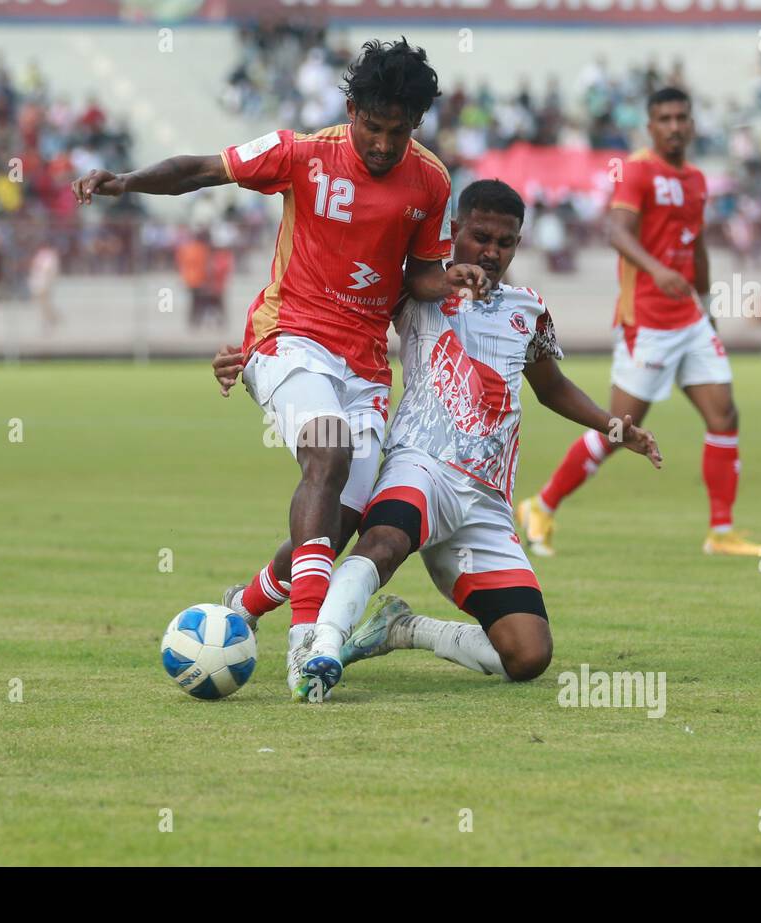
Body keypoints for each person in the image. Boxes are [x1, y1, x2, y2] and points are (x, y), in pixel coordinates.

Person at [73, 38, 487, 699]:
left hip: (363, 363)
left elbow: (419, 274)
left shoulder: (431, 181)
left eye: (398, 133)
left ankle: (245, 606)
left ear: (416, 126)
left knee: (337, 523)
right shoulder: (302, 152)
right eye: (372, 128)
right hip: (287, 336)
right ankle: (304, 642)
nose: (382, 145)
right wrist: (125, 181)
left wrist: (453, 277)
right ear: (351, 110)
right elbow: (202, 169)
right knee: (327, 454)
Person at [216, 179, 661, 700]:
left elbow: (550, 386)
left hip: (486, 503)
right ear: (455, 231)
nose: (491, 252)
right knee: (378, 543)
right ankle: (321, 650)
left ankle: (404, 629)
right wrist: (262, 354)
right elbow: (330, 318)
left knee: (528, 654)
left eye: (505, 242)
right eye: (480, 237)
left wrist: (613, 425)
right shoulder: (418, 290)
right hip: (421, 466)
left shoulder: (528, 310)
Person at [514, 88, 761, 558]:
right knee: (619, 429)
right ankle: (543, 503)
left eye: (681, 117)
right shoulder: (636, 170)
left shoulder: (696, 179)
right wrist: (657, 271)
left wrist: (708, 306)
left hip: (690, 320)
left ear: (692, 124)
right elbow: (615, 230)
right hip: (647, 322)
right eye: (664, 118)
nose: (674, 126)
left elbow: (695, 246)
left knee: (724, 414)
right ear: (651, 126)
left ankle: (721, 532)